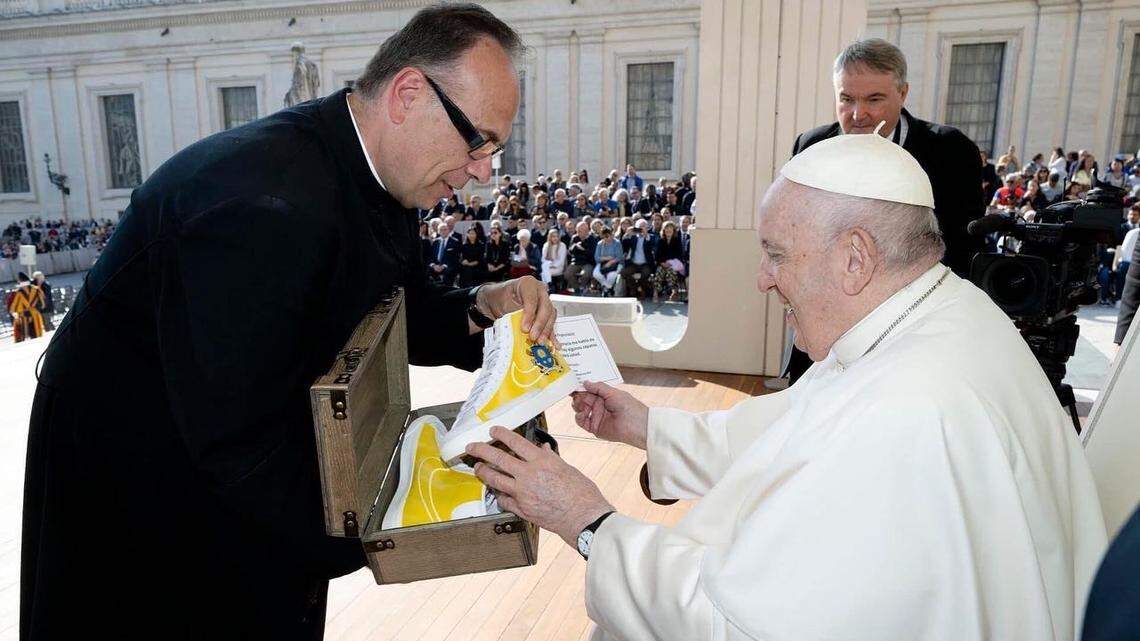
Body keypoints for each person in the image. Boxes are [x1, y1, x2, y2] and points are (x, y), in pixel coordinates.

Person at [20, 6, 560, 641]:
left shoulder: (383, 173)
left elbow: (388, 312)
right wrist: (382, 527)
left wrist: (482, 305)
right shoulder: (260, 206)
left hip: (243, 466)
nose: (483, 171)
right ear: (408, 94)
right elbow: (239, 443)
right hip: (144, 489)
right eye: (478, 141)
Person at [465, 131, 1107, 641]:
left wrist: (584, 518)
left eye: (776, 255)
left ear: (855, 257)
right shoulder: (934, 311)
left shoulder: (910, 409)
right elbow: (797, 427)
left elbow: (736, 625)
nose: (762, 281)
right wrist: (644, 426)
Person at [784, 37, 985, 384]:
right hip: (828, 333)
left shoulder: (951, 151)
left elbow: (963, 249)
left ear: (903, 94)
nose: (858, 115)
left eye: (874, 99)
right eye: (846, 99)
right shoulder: (810, 146)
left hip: (911, 331)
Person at [619, 219, 655, 298]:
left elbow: (653, 245)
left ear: (647, 227)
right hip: (633, 263)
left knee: (645, 274)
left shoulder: (651, 237)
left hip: (645, 264)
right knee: (624, 272)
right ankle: (636, 289)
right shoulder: (633, 237)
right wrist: (627, 234)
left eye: (643, 226)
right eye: (639, 227)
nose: (641, 229)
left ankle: (641, 290)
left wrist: (646, 235)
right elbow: (624, 244)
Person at [7, 271, 45, 343]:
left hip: (23, 317)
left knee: (23, 339)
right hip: (30, 316)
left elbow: (11, 308)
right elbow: (42, 305)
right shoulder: (36, 290)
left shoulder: (16, 293)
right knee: (36, 338)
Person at [651, 220, 685, 301]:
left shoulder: (677, 241)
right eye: (667, 228)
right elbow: (657, 255)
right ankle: (655, 293)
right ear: (663, 230)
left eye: (670, 228)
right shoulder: (660, 241)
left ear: (673, 230)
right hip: (662, 264)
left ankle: (674, 292)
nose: (668, 230)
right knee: (659, 271)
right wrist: (663, 263)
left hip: (673, 264)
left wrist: (670, 263)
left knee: (671, 272)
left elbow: (679, 254)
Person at [564, 221, 598, 294]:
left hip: (588, 262)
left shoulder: (592, 238)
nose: (580, 233)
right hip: (576, 261)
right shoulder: (575, 237)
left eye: (582, 231)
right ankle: (577, 289)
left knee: (586, 274)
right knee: (567, 273)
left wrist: (583, 249)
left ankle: (583, 287)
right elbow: (570, 250)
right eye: (578, 231)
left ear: (587, 230)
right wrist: (576, 246)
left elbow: (592, 253)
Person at [428, 220, 461, 285]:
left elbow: (455, 258)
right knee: (426, 272)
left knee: (449, 272)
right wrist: (434, 265)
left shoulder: (455, 242)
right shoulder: (435, 242)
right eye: (441, 230)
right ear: (438, 231)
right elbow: (431, 256)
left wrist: (443, 266)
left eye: (445, 229)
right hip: (436, 266)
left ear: (448, 230)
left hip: (448, 266)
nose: (443, 231)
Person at [592, 226, 623, 295]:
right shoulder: (600, 244)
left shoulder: (617, 243)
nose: (606, 238)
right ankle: (609, 288)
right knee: (596, 274)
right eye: (604, 237)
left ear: (611, 234)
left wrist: (610, 262)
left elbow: (619, 257)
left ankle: (605, 289)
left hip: (616, 263)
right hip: (603, 263)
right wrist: (608, 258)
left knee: (611, 276)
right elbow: (596, 257)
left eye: (607, 236)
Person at [540, 228, 568, 293]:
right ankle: (549, 285)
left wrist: (552, 265)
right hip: (548, 266)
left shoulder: (562, 245)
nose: (555, 238)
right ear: (550, 237)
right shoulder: (546, 245)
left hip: (558, 267)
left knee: (543, 273)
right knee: (544, 268)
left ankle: (548, 287)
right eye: (553, 236)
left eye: (557, 236)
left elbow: (561, 261)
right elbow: (543, 259)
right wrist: (549, 265)